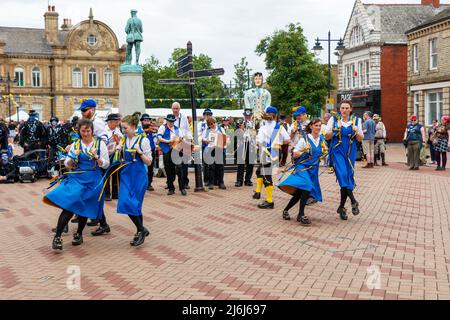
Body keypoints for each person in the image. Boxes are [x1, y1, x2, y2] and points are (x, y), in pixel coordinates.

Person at [45, 119, 109, 251]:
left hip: (93, 179)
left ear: (92, 130)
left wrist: (97, 157)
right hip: (77, 178)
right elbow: (67, 163)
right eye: (83, 131)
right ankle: (57, 237)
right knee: (69, 205)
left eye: (88, 130)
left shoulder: (100, 144)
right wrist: (72, 159)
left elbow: (106, 164)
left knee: (84, 207)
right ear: (79, 131)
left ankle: (79, 233)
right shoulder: (76, 144)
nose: (85, 133)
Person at [279, 119, 326, 225]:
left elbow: (323, 153)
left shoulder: (321, 140)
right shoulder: (305, 139)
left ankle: (286, 210)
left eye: (319, 125)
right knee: (307, 186)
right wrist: (304, 151)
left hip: (313, 169)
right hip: (302, 167)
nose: (318, 127)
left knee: (300, 193)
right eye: (316, 125)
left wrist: (325, 155)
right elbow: (295, 153)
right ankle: (301, 215)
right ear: (311, 126)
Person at [115, 113, 152, 246]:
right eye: (122, 128)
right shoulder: (123, 139)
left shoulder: (143, 140)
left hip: (138, 176)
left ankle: (140, 231)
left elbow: (148, 162)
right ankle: (142, 230)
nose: (123, 131)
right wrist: (118, 149)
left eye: (125, 128)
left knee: (135, 205)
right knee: (125, 203)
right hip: (125, 174)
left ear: (133, 126)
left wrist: (140, 152)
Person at [325, 101, 364, 221]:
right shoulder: (333, 120)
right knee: (342, 174)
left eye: (347, 108)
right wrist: (335, 131)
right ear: (339, 109)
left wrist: (356, 130)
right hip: (337, 150)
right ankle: (353, 201)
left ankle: (341, 207)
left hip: (350, 151)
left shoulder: (356, 120)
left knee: (348, 177)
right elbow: (326, 136)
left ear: (351, 109)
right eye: (342, 108)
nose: (344, 110)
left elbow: (360, 138)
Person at [77, 99, 109, 229]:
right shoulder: (88, 122)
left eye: (85, 110)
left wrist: (95, 151)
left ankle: (101, 222)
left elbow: (105, 139)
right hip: (86, 163)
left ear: (92, 110)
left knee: (94, 195)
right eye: (82, 110)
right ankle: (100, 222)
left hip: (96, 163)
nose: (83, 112)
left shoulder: (97, 122)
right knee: (91, 195)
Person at [253, 106, 290, 209]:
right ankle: (258, 192)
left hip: (266, 153)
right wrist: (278, 141)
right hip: (276, 153)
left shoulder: (263, 128)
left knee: (266, 176)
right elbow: (287, 140)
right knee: (260, 172)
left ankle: (269, 201)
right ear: (275, 116)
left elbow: (258, 142)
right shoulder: (280, 127)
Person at [158, 114, 187, 195]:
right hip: (167, 150)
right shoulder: (162, 127)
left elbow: (181, 138)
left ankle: (182, 188)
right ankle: (171, 188)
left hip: (176, 150)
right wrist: (168, 141)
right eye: (169, 121)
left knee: (179, 168)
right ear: (167, 120)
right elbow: (159, 137)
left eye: (172, 121)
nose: (171, 123)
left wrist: (176, 142)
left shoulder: (177, 129)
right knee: (169, 169)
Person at [171, 102, 192, 190]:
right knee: (172, 164)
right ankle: (170, 183)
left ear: (179, 109)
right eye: (174, 108)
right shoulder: (168, 117)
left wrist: (189, 139)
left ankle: (185, 182)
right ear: (172, 109)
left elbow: (187, 130)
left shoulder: (183, 117)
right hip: (173, 143)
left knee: (184, 164)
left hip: (183, 142)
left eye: (177, 108)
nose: (175, 110)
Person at [203, 117, 227, 190]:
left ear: (215, 122)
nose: (212, 125)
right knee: (211, 166)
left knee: (220, 166)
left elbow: (225, 137)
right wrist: (206, 140)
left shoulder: (221, 129)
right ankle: (211, 183)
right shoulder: (207, 130)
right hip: (211, 150)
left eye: (212, 123)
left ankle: (221, 182)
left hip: (219, 149)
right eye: (210, 124)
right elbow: (203, 138)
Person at [104, 113, 123, 200]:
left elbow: (122, 139)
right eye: (116, 122)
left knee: (116, 174)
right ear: (110, 122)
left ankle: (115, 193)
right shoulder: (103, 130)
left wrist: (119, 142)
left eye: (117, 122)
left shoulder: (117, 130)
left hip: (115, 155)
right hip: (106, 156)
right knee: (106, 174)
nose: (117, 123)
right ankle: (107, 194)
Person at [235, 109, 256, 187]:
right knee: (241, 163)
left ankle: (248, 180)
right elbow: (237, 132)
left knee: (250, 163)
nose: (248, 117)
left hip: (251, 144)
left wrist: (251, 133)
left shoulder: (254, 123)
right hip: (242, 144)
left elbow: (256, 132)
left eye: (249, 115)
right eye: (246, 115)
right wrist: (243, 133)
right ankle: (239, 180)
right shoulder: (240, 122)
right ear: (244, 115)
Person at [139, 113, 158, 191]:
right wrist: (146, 131)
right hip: (141, 151)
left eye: (148, 120)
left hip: (151, 150)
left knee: (150, 168)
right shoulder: (139, 130)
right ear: (142, 122)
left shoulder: (152, 131)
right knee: (141, 168)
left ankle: (149, 183)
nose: (146, 122)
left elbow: (156, 137)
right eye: (145, 120)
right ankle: (141, 183)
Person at [198, 109, 214, 186]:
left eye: (209, 115)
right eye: (206, 115)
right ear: (204, 115)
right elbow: (198, 135)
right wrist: (204, 139)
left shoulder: (213, 124)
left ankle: (212, 180)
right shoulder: (201, 124)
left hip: (213, 146)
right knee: (206, 164)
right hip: (204, 145)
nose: (208, 116)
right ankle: (206, 180)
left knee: (212, 164)